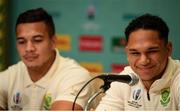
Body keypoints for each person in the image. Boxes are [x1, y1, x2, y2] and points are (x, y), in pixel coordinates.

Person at [0, 8, 94, 110]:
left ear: (53, 42)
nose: (29, 48)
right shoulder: (10, 75)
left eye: (37, 40)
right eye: (22, 42)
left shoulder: (75, 76)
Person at [96, 14, 180, 110]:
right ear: (127, 53)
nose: (144, 61)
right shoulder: (124, 80)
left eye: (152, 51)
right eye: (135, 53)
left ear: (168, 49)